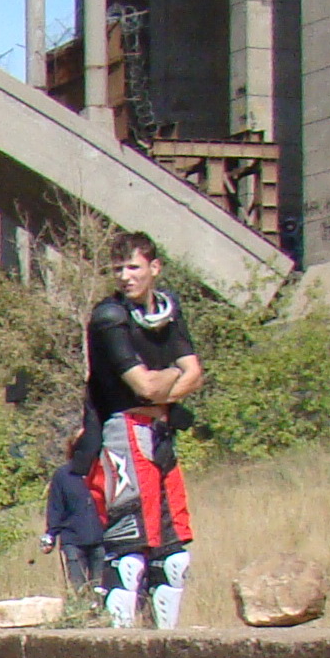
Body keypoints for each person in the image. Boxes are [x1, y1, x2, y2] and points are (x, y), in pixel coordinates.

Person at [71, 231, 203, 628]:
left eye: (134, 267)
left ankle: (165, 641)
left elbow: (195, 373)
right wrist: (172, 376)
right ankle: (120, 642)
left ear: (154, 267)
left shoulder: (167, 310)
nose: (125, 276)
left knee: (173, 555)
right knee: (129, 551)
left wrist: (164, 389)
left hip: (160, 431)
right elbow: (143, 386)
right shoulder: (109, 317)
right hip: (122, 433)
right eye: (118, 269)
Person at [42, 452, 105, 594]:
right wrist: (51, 534)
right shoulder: (63, 475)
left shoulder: (103, 471)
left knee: (100, 590)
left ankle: (98, 607)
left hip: (101, 539)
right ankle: (82, 607)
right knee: (79, 590)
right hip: (73, 540)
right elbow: (56, 507)